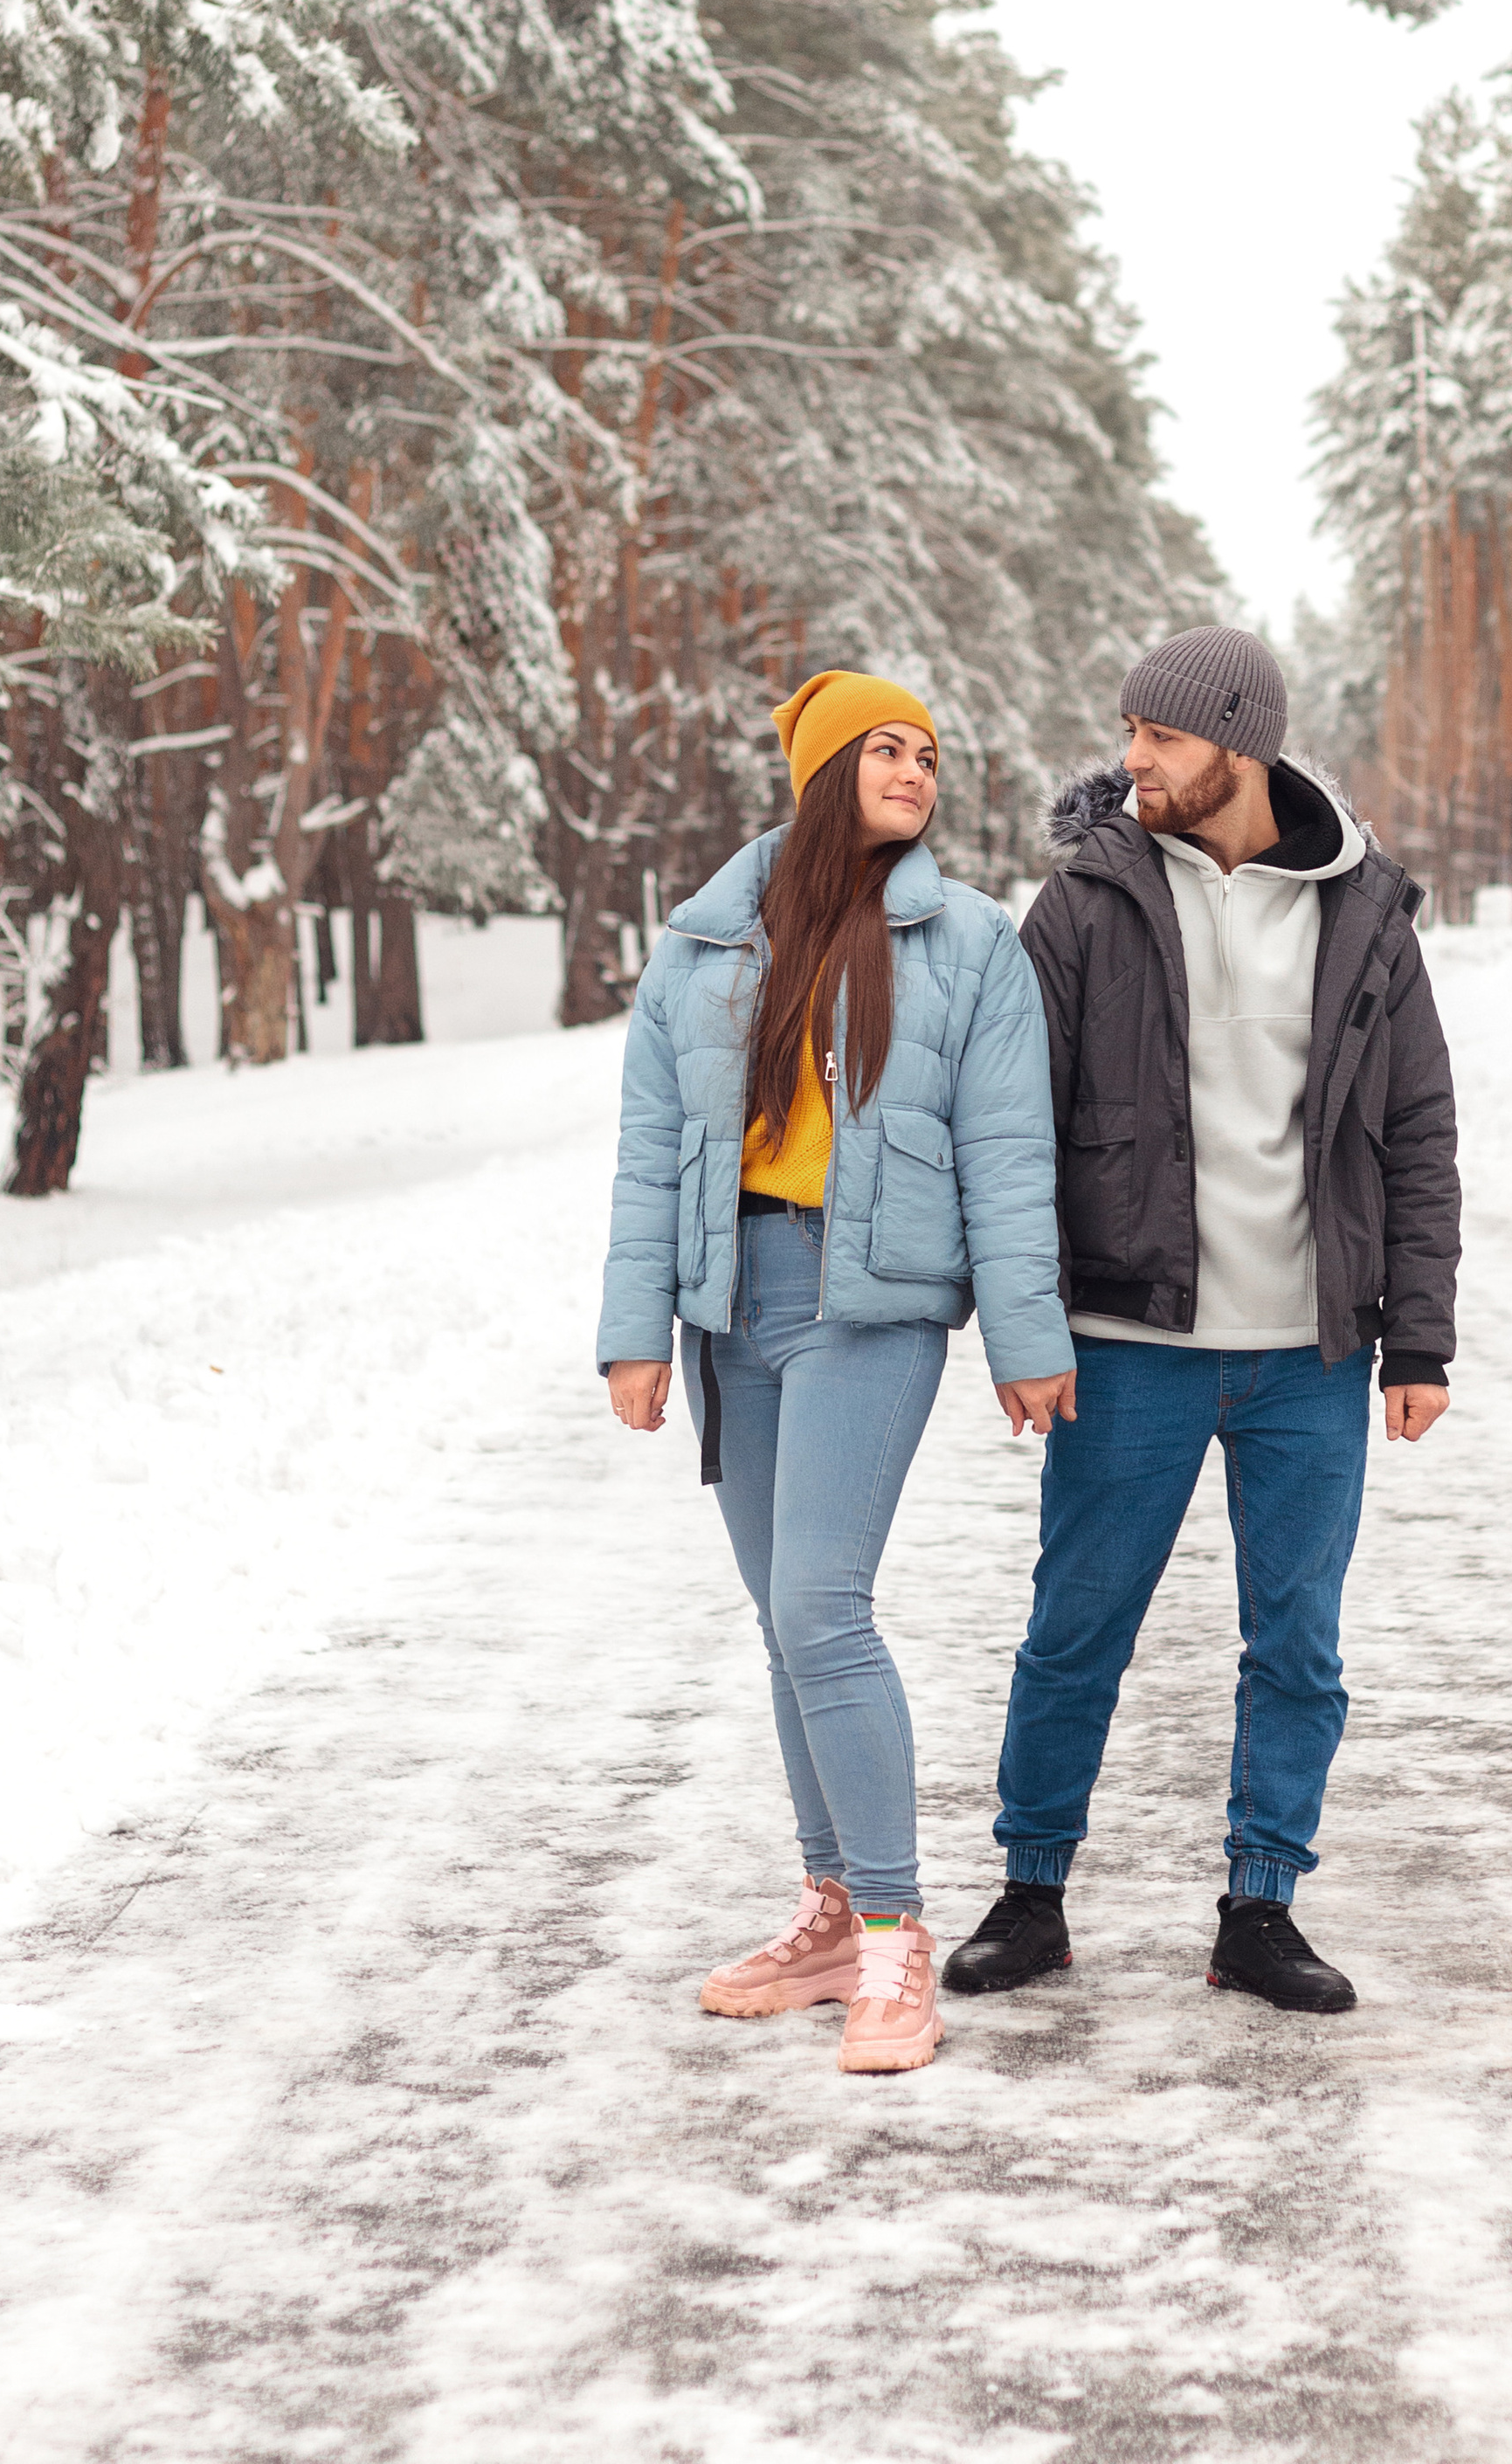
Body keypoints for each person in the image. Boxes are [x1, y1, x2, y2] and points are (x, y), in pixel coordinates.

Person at [944, 625, 1460, 2016]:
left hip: (1310, 1355)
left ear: (1238, 741)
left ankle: (1261, 1906)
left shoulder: (1365, 914)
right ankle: (1033, 1894)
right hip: (1129, 1347)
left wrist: (1418, 1338)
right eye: (1129, 732)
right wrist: (1029, 1325)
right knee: (1077, 1626)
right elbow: (1013, 1133)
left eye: (1160, 737)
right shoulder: (1084, 905)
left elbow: (1417, 1131)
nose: (1133, 760)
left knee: (1297, 1641)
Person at [597, 668, 1072, 2074]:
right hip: (729, 1301)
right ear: (817, 768)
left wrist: (1027, 1338)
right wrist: (637, 1326)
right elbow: (646, 1152)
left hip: (870, 1307)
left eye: (931, 753)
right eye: (887, 748)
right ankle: (821, 1916)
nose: (919, 770)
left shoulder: (971, 943)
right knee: (780, 1622)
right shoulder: (700, 944)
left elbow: (1007, 1150)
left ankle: (890, 1939)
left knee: (822, 1606)